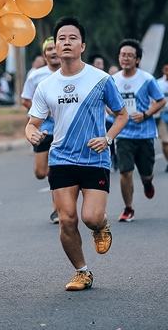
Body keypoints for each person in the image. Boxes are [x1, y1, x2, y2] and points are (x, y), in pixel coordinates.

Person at [25, 17, 128, 291]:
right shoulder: (46, 85)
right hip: (61, 159)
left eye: (72, 38)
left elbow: (121, 114)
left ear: (82, 45)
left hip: (95, 159)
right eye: (61, 38)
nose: (66, 42)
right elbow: (32, 122)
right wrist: (31, 133)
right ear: (55, 47)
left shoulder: (101, 79)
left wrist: (107, 138)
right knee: (66, 220)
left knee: (91, 217)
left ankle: (101, 226)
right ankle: (82, 271)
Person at [112, 39, 166, 222]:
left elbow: (161, 100)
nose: (125, 58)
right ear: (119, 57)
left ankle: (147, 182)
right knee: (125, 171)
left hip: (145, 133)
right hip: (123, 134)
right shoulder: (113, 80)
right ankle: (128, 208)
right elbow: (106, 103)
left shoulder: (147, 79)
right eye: (123, 55)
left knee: (145, 172)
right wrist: (114, 112)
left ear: (137, 59)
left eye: (130, 56)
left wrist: (145, 114)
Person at [21, 36, 61, 223]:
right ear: (44, 55)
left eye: (56, 48)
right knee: (40, 172)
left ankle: (57, 208)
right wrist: (41, 112)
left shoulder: (69, 73)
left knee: (56, 170)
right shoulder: (36, 76)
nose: (53, 52)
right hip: (42, 129)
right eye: (49, 49)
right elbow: (25, 99)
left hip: (63, 130)